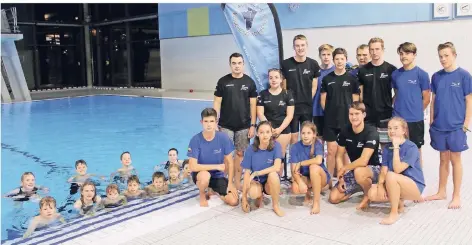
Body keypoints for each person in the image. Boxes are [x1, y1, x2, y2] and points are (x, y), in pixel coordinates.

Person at [426, 42, 472, 209]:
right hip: (439, 125)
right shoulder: (436, 76)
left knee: (455, 160)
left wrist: (466, 123)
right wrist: (431, 120)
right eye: (440, 56)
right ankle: (441, 191)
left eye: (446, 55)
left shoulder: (464, 76)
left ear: (454, 55)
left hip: (456, 126)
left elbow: (469, 100)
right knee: (443, 158)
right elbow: (433, 100)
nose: (443, 59)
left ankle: (456, 195)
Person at [368, 117, 425, 225]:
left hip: (414, 185)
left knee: (391, 175)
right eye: (389, 128)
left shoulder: (411, 147)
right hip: (394, 182)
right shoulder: (386, 148)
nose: (392, 131)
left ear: (404, 131)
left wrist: (396, 147)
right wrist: (380, 186)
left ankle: (394, 213)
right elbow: (383, 170)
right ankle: (399, 202)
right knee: (372, 194)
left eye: (395, 128)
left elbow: (398, 169)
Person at [213, 52, 258, 191]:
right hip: (226, 125)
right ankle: (226, 181)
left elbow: (253, 105)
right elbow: (217, 103)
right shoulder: (223, 81)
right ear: (230, 64)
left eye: (239, 63)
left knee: (240, 155)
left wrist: (253, 125)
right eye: (234, 63)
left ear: (243, 64)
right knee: (226, 155)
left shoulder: (249, 82)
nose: (237, 66)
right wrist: (215, 122)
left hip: (243, 126)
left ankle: (237, 181)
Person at [329, 102, 381, 210]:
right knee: (333, 198)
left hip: (374, 170)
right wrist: (341, 177)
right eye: (351, 114)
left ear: (364, 115)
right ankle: (360, 186)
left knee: (359, 171)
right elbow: (339, 156)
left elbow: (363, 161)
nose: (354, 117)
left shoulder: (371, 132)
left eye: (357, 114)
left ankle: (368, 196)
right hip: (355, 170)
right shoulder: (345, 131)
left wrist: (344, 168)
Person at [320, 48, 360, 180]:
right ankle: (329, 179)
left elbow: (355, 101)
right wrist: (331, 113)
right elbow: (323, 101)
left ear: (346, 60)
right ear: (333, 60)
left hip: (347, 121)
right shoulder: (327, 79)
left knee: (345, 152)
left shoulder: (352, 79)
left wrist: (353, 118)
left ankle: (347, 179)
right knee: (331, 151)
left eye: (342, 59)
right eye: (336, 58)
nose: (339, 61)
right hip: (331, 121)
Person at [188, 108, 239, 207]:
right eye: (206, 121)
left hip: (217, 176)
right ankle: (202, 195)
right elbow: (193, 167)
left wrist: (230, 184)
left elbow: (230, 162)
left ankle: (214, 190)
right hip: (201, 174)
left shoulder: (223, 138)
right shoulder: (195, 140)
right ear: (201, 122)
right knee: (204, 177)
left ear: (216, 122)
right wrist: (216, 166)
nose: (209, 124)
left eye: (211, 121)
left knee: (234, 201)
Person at [391, 42, 431, 166]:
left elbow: (426, 98)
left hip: (415, 120)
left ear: (414, 55)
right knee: (399, 149)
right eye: (401, 54)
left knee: (415, 150)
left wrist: (416, 112)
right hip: (398, 119)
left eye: (407, 53)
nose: (404, 56)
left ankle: (417, 178)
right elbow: (397, 94)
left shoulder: (422, 74)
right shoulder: (395, 74)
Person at [281, 34, 321, 144]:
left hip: (307, 107)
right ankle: (294, 161)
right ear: (294, 47)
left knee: (307, 137)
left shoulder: (313, 64)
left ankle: (307, 161)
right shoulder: (286, 64)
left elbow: (314, 87)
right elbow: (284, 87)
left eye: (302, 45)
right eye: (297, 46)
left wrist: (308, 99)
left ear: (306, 46)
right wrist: (289, 103)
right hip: (292, 108)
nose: (300, 48)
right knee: (293, 138)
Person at [241, 121, 285, 217]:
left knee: (273, 174)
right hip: (257, 181)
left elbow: (277, 167)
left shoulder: (276, 146)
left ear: (271, 133)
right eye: (261, 132)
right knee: (253, 193)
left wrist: (257, 173)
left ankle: (276, 206)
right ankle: (259, 195)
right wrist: (244, 198)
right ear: (257, 134)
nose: (265, 135)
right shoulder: (250, 149)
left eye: (267, 132)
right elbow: (247, 174)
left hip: (269, 182)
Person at [256, 68, 294, 175]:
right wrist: (269, 129)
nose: (273, 80)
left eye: (276, 77)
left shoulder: (287, 94)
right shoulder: (263, 94)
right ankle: (266, 182)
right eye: (271, 78)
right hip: (267, 130)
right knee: (266, 155)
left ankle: (277, 182)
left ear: (281, 79)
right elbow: (260, 113)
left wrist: (279, 129)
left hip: (283, 130)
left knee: (279, 157)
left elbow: (290, 115)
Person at [290, 121, 330, 214]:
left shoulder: (317, 144)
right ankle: (308, 193)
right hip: (306, 176)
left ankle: (316, 203)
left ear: (314, 135)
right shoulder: (295, 147)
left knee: (313, 167)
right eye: (303, 133)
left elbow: (318, 160)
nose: (305, 136)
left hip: (320, 176)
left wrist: (301, 163)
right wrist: (300, 182)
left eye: (309, 133)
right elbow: (293, 170)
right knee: (296, 188)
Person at [357, 37, 397, 128]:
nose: (374, 52)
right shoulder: (363, 70)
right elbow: (360, 94)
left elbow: (397, 92)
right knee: (369, 142)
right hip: (368, 116)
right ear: (369, 51)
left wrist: (389, 103)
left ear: (383, 50)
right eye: (372, 49)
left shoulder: (391, 69)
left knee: (385, 142)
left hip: (386, 115)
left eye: (377, 49)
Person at [312, 44, 335, 140]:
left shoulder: (337, 70)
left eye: (328, 54)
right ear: (319, 56)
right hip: (317, 110)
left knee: (333, 140)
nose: (326, 57)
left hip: (333, 110)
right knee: (319, 139)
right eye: (323, 54)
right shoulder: (315, 71)